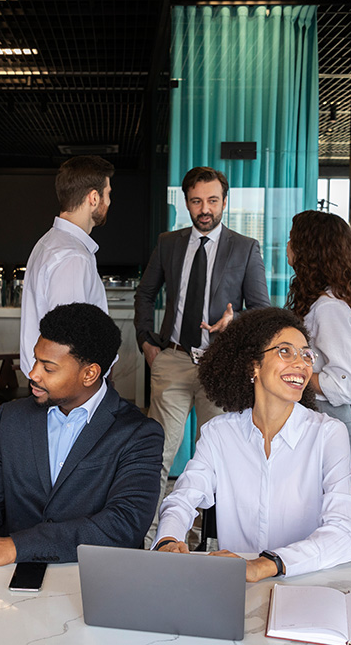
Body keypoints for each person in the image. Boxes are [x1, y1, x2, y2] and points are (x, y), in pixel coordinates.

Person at [0, 303, 163, 568]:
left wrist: (18, 547)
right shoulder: (11, 418)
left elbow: (123, 525)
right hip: (12, 580)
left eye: (48, 368)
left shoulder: (138, 433)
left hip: (94, 577)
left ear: (90, 374)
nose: (32, 374)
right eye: (35, 359)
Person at [152, 307, 351, 582]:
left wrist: (267, 564)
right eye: (285, 351)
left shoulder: (327, 434)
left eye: (306, 354)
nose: (301, 364)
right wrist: (168, 539)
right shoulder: (220, 433)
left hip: (305, 584)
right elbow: (183, 497)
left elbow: (348, 532)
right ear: (253, 365)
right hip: (236, 588)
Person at [134, 166, 270, 545]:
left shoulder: (245, 248)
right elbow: (145, 294)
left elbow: (261, 310)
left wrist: (235, 320)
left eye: (212, 200)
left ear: (224, 202)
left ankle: (211, 540)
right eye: (197, 201)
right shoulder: (169, 243)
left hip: (221, 365)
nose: (205, 209)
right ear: (187, 202)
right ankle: (146, 538)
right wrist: (147, 342)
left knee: (218, 459)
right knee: (157, 452)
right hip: (173, 360)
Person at [286, 210, 351, 458]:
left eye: (292, 238)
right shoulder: (321, 302)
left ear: (310, 250)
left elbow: (342, 385)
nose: (288, 245)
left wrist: (289, 375)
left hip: (326, 421)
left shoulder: (330, 309)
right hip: (314, 418)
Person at [20, 155, 115, 377]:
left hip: (52, 382)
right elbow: (69, 340)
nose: (109, 202)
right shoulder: (73, 256)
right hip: (69, 388)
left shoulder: (49, 242)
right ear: (93, 197)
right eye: (108, 194)